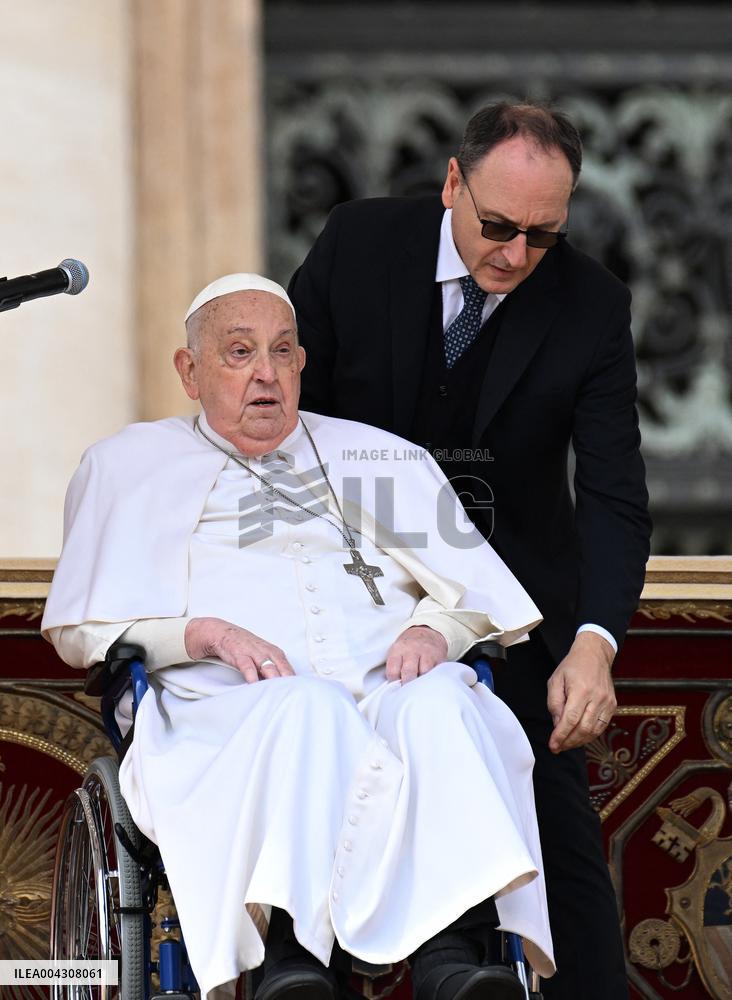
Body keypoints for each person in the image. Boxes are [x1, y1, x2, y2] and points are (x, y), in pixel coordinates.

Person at [42, 274, 557, 1000]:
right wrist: (202, 633)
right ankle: (291, 962)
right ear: (189, 371)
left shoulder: (382, 458)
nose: (266, 373)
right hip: (225, 708)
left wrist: (434, 629)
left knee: (443, 702)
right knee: (307, 708)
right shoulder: (126, 466)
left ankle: (453, 961)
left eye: (282, 351)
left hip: (387, 691)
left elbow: (477, 596)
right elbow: (83, 629)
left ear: (302, 364)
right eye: (240, 352)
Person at [288, 102, 652, 1000]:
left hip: (506, 609)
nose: (516, 255)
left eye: (543, 235)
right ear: (453, 182)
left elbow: (613, 493)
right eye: (497, 226)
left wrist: (594, 642)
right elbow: (280, 418)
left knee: (558, 844)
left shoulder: (593, 304)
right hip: (345, 592)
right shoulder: (358, 243)